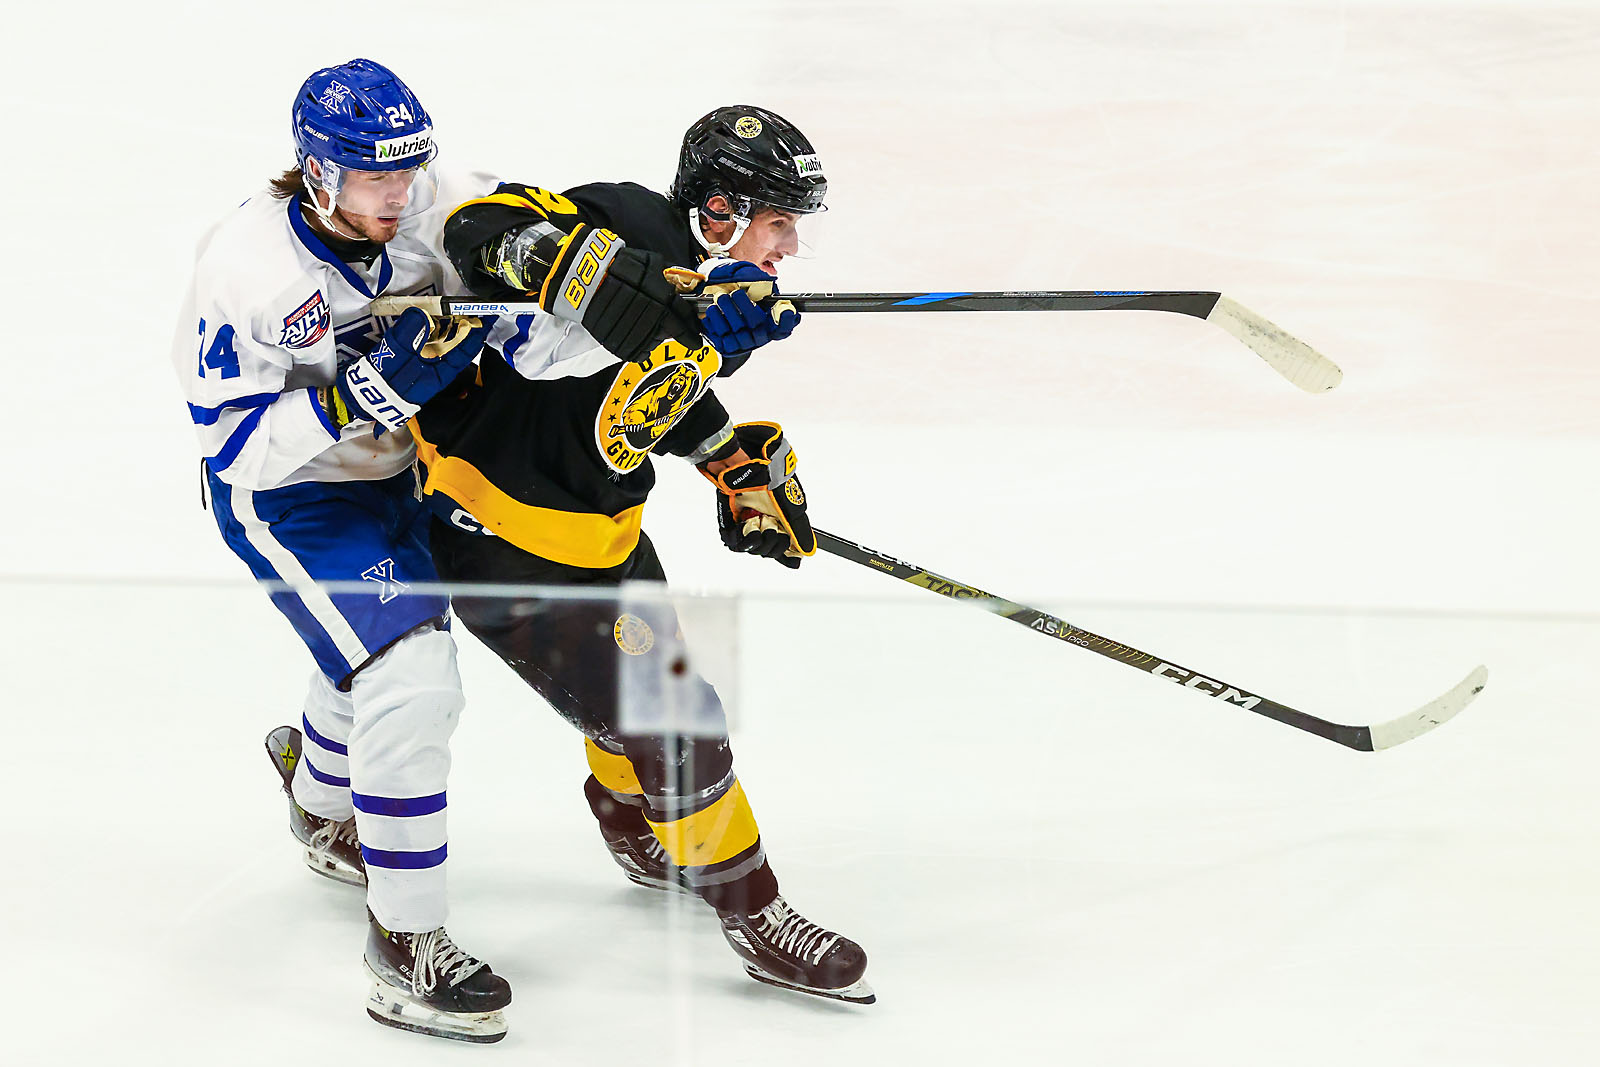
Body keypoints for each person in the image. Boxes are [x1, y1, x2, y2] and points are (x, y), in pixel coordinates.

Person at [413, 105, 874, 1004]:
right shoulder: (626, 221)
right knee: (680, 724)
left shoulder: (714, 292)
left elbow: (651, 388)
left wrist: (727, 460)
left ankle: (632, 822)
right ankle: (754, 909)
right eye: (777, 223)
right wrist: (566, 267)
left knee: (644, 711)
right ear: (719, 209)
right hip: (498, 542)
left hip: (603, 533)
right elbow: (477, 227)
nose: (786, 248)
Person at [171, 58, 515, 1043]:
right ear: (316, 172)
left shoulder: (428, 203)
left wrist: (642, 284)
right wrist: (362, 393)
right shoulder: (247, 269)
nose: (398, 194)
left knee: (365, 655)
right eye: (374, 177)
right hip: (293, 501)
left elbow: (542, 259)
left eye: (407, 172)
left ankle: (323, 803)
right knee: (413, 679)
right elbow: (230, 441)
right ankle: (404, 945)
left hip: (407, 474)